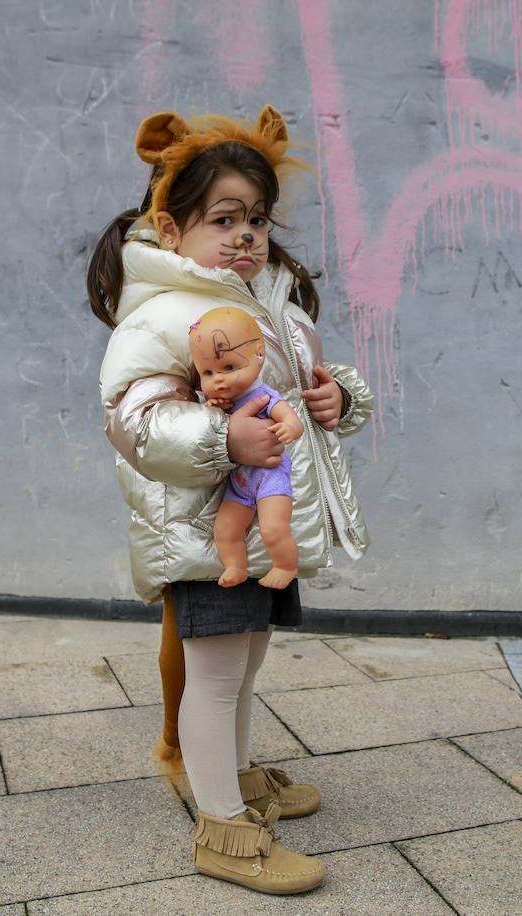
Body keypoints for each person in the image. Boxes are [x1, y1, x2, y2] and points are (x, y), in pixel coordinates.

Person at [87, 104, 372, 895]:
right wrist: (222, 440)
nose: (246, 236)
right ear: (169, 228)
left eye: (257, 219)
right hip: (203, 530)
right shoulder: (163, 314)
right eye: (223, 219)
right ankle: (223, 833)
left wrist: (337, 399)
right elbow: (134, 421)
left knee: (243, 668)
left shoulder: (267, 300)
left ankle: (239, 782)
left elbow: (303, 390)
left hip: (264, 522)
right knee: (213, 678)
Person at [188, 306, 304, 590]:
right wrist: (211, 410)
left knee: (273, 529)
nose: (218, 379)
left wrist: (289, 427)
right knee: (225, 529)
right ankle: (235, 567)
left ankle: (285, 566)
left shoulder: (265, 396)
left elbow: (292, 420)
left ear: (259, 354)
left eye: (229, 368)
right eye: (208, 372)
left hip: (271, 477)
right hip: (239, 482)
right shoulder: (220, 402)